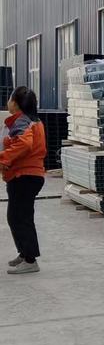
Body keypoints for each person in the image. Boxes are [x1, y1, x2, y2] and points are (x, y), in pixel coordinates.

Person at [1, 86, 46, 274]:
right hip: (27, 176)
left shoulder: (23, 122)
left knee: (20, 218)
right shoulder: (32, 121)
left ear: (16, 103)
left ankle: (30, 260)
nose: (8, 102)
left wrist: (3, 159)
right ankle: (24, 253)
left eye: (10, 98)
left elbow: (24, 144)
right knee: (16, 216)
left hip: (24, 176)